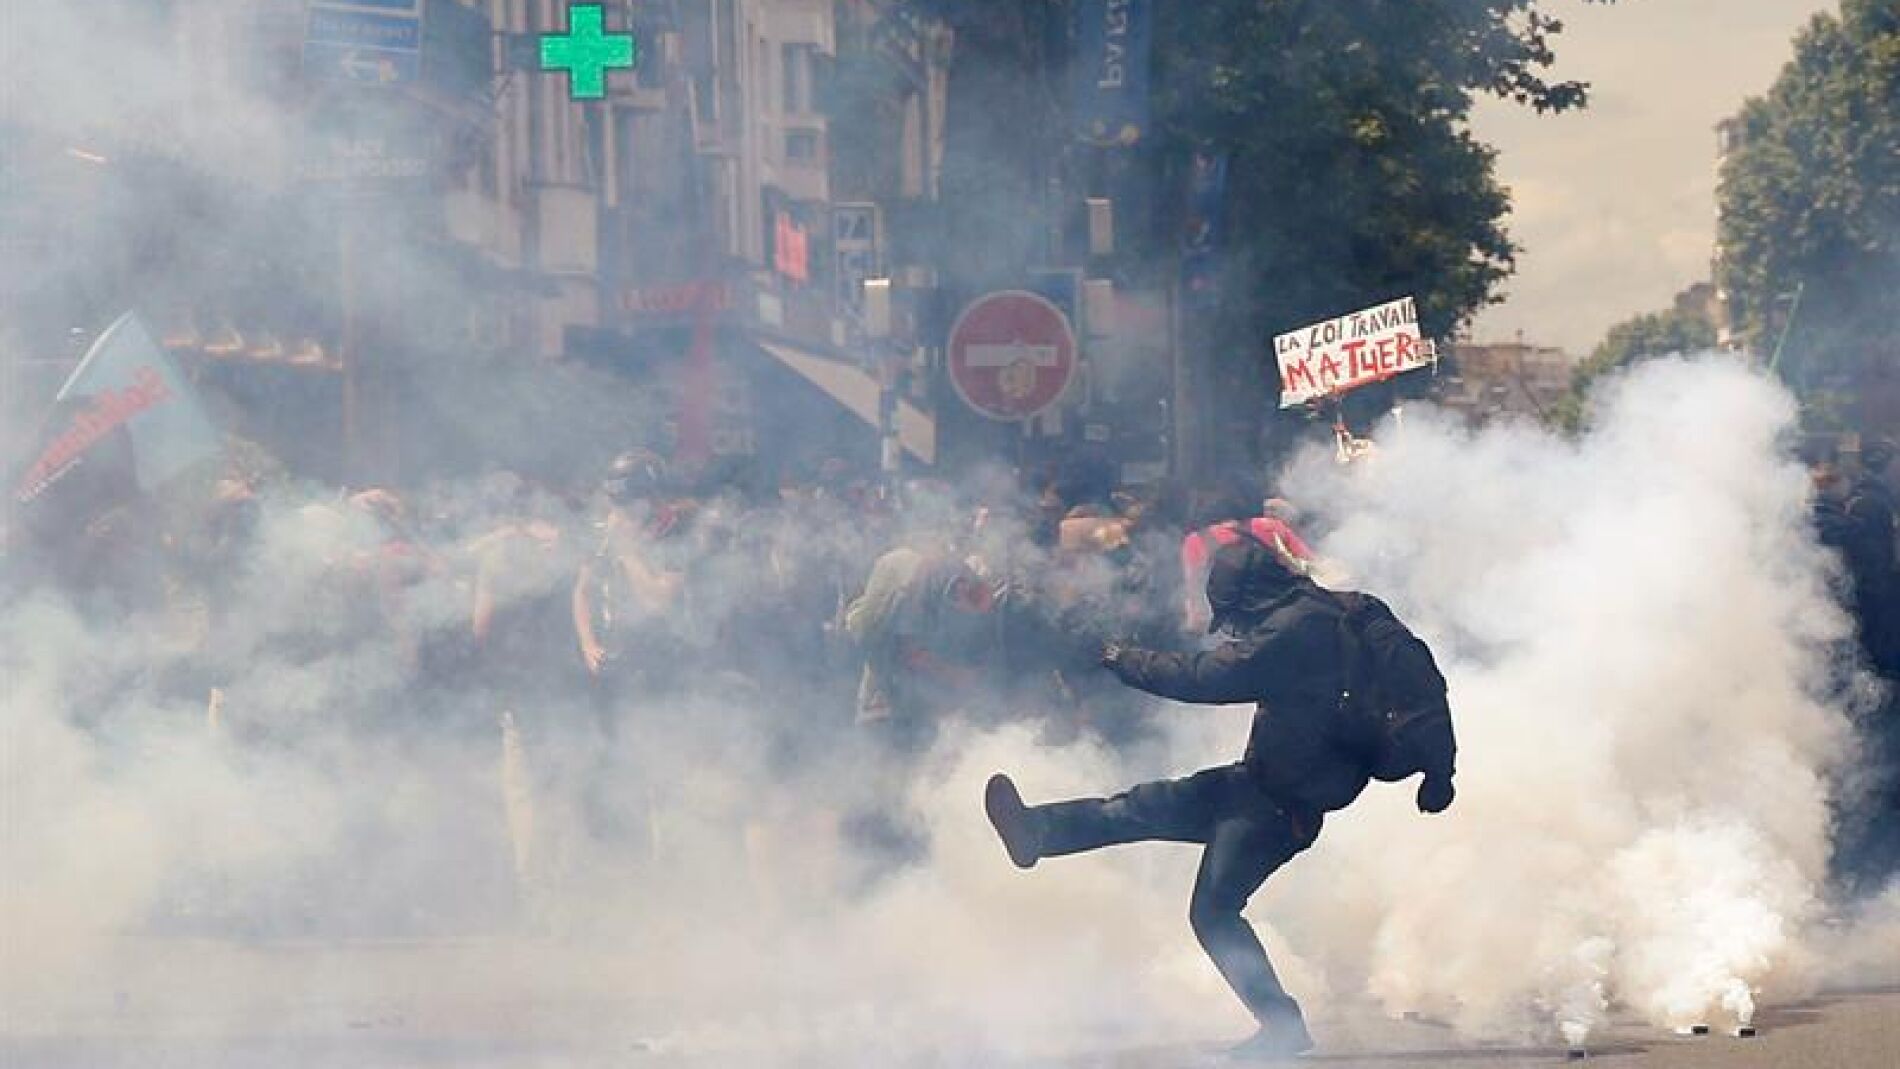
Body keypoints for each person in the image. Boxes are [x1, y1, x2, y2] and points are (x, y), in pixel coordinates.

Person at [983, 539, 1455, 1061]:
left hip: (1278, 808)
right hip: (1255, 784)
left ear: (1250, 599)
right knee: (1143, 806)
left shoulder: (1291, 632)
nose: (1233, 628)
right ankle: (1037, 833)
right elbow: (1428, 690)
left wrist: (1118, 658)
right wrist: (1440, 772)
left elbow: (1206, 679)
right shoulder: (1349, 610)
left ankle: (1283, 1027)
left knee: (1212, 911)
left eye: (1233, 617)